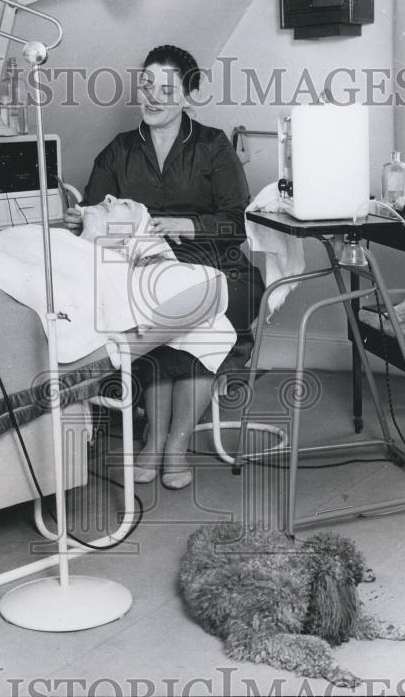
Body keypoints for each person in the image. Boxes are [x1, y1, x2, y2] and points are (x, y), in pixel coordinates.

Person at [65, 44, 263, 490]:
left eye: (166, 88)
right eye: (147, 84)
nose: (152, 96)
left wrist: (187, 224)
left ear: (189, 96)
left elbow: (238, 221)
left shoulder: (212, 147)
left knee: (202, 314)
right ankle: (156, 439)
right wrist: (84, 219)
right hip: (145, 267)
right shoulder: (119, 151)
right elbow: (97, 215)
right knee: (150, 306)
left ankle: (171, 444)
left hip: (216, 263)